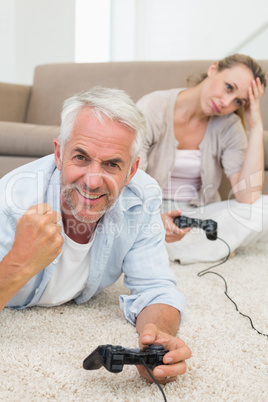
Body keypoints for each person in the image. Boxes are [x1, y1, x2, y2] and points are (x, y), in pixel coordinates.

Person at [0, 86, 191, 383]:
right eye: (81, 157)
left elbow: (156, 288)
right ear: (59, 153)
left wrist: (158, 339)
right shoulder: (11, 201)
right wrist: (19, 262)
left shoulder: (142, 195)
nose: (92, 180)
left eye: (112, 164)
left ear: (131, 170)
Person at [137, 53, 268, 264]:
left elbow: (248, 197)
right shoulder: (153, 107)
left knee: (264, 210)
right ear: (213, 69)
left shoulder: (229, 126)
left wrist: (255, 125)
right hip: (150, 213)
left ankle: (168, 246)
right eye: (228, 87)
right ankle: (206, 246)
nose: (226, 102)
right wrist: (156, 220)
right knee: (129, 222)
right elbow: (131, 183)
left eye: (238, 101)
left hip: (199, 216)